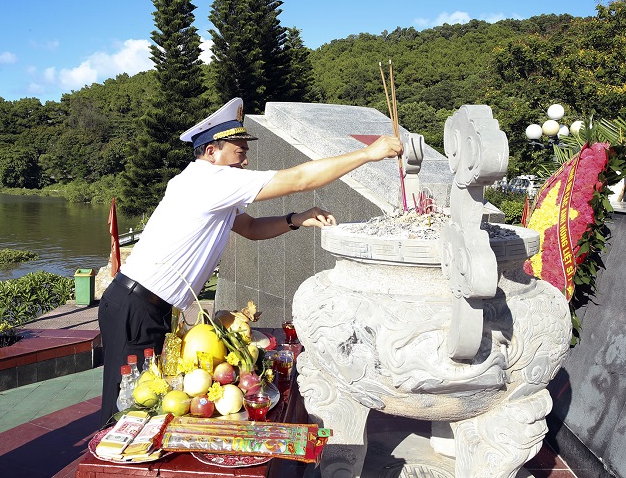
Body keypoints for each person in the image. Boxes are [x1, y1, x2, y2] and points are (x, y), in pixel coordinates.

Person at [98, 98, 402, 425]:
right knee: (130, 408)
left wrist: (297, 218)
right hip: (137, 307)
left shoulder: (208, 185)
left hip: (148, 307)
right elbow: (299, 180)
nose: (245, 161)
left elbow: (252, 228)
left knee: (151, 402)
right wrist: (367, 154)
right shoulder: (210, 180)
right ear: (211, 151)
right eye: (239, 152)